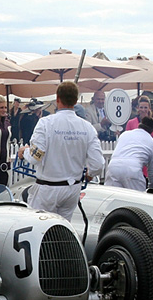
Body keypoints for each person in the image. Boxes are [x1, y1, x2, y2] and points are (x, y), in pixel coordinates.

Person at [17, 81, 104, 221]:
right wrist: (90, 174)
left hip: (48, 189)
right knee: (63, 231)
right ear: (76, 101)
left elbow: (35, 157)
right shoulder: (87, 127)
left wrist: (24, 151)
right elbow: (98, 164)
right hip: (72, 189)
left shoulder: (46, 123)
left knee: (40, 230)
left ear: (57, 99)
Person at [105, 116, 153, 191]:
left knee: (112, 197)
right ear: (152, 130)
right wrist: (152, 186)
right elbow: (152, 170)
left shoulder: (125, 134)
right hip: (132, 169)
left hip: (113, 167)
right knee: (137, 199)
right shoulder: (152, 143)